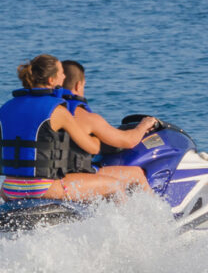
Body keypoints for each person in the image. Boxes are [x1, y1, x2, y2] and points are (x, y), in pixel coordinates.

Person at [0, 55, 141, 202]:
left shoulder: (5, 108)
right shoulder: (57, 111)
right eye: (61, 73)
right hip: (44, 188)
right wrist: (95, 135)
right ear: (52, 80)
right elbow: (93, 148)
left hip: (9, 189)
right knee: (114, 186)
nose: (64, 76)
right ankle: (126, 226)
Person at [59, 60, 155, 193]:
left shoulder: (49, 111)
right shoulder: (86, 117)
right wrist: (144, 125)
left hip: (48, 177)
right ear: (78, 85)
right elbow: (129, 141)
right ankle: (153, 214)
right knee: (137, 174)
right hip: (73, 178)